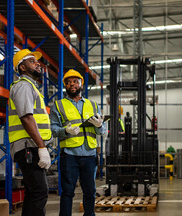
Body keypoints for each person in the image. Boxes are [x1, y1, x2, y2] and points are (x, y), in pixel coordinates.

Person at [50, 69, 107, 216]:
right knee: (68, 192)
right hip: (69, 155)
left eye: (75, 81)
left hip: (89, 154)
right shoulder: (58, 105)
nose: (72, 84)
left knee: (90, 191)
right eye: (68, 83)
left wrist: (100, 126)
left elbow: (102, 131)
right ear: (65, 86)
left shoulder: (93, 105)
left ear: (81, 84)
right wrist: (65, 131)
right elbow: (53, 129)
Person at [8, 48, 52, 216]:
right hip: (29, 146)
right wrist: (41, 147)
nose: (37, 63)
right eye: (32, 61)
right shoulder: (24, 86)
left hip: (31, 146)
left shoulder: (31, 87)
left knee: (33, 192)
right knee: (40, 191)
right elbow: (26, 117)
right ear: (22, 67)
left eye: (37, 61)